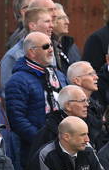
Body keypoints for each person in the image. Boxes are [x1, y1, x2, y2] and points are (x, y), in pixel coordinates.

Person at [5, 32, 68, 163]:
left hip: (63, 147)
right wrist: (41, 138)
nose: (51, 49)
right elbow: (17, 119)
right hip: (31, 152)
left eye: (51, 45)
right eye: (45, 46)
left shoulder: (59, 76)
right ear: (32, 52)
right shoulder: (18, 80)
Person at [0, 6, 55, 91]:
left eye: (51, 21)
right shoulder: (13, 55)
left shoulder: (51, 49)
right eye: (47, 21)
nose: (52, 25)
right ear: (32, 26)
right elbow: (8, 92)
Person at [67, 61, 106, 148]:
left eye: (95, 73)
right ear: (77, 80)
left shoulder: (95, 105)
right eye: (91, 74)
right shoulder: (74, 111)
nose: (96, 77)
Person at [52, 3, 82, 76]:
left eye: (66, 18)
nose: (67, 22)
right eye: (61, 18)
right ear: (50, 21)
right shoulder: (47, 47)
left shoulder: (72, 48)